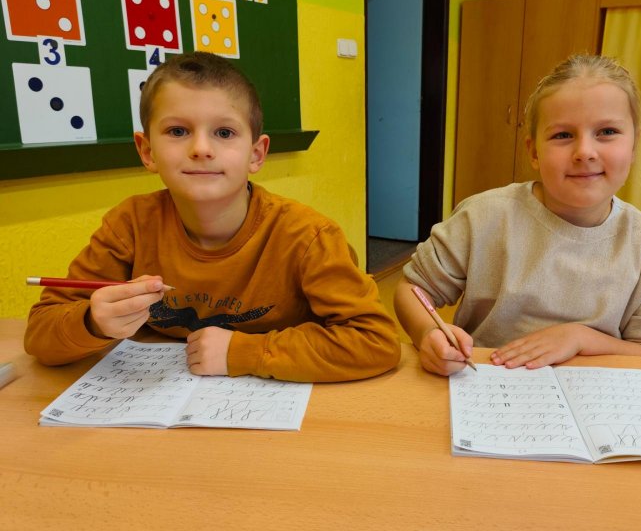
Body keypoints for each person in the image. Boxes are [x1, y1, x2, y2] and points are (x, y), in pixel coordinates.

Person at [25, 51, 400, 382]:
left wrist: (244, 352)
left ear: (256, 154)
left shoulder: (308, 236)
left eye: (224, 132)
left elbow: (376, 341)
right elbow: (40, 334)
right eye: (177, 131)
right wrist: (92, 322)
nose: (201, 148)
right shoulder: (130, 225)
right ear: (147, 151)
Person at [394, 53, 641, 376]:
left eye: (607, 131)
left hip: (596, 394)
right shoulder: (483, 217)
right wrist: (428, 332)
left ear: (634, 146)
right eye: (563, 135)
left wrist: (580, 338)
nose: (585, 152)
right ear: (534, 152)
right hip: (486, 386)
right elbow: (412, 290)